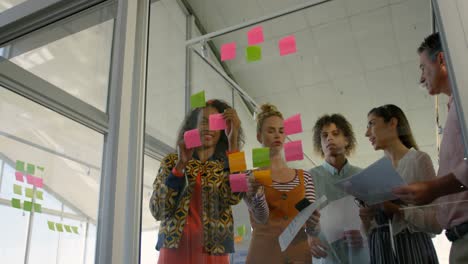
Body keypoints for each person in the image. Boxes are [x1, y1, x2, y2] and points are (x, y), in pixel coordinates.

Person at [393, 32, 468, 264]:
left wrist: (434, 188)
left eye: (423, 67)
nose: (422, 77)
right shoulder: (455, 106)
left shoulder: (464, 104)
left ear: (442, 60)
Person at [149, 99, 245, 264]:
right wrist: (180, 167)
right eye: (203, 122)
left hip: (215, 253)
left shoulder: (227, 164)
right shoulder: (172, 161)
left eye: (215, 123)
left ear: (223, 130)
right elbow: (158, 209)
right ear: (193, 127)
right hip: (174, 252)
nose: (209, 128)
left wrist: (233, 143)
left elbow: (236, 196)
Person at [362, 104, 441, 264]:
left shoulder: (418, 160)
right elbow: (369, 229)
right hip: (379, 249)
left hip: (412, 248)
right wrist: (365, 219)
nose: (366, 133)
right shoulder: (375, 172)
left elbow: (437, 223)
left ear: (392, 123)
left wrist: (398, 210)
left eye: (372, 123)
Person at [244, 103, 316, 264]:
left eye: (281, 131)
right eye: (271, 131)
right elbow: (261, 217)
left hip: (299, 255)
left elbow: (312, 227)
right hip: (262, 256)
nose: (277, 135)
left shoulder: (305, 177)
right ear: (259, 136)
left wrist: (315, 224)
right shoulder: (249, 177)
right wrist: (255, 194)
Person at [307, 114, 369, 263]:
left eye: (336, 134)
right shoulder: (308, 178)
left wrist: (365, 234)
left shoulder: (363, 176)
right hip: (326, 257)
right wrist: (309, 237)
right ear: (320, 144)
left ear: (347, 140)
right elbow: (301, 219)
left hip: (360, 256)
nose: (329, 138)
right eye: (324, 136)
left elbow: (375, 220)